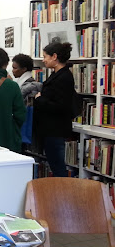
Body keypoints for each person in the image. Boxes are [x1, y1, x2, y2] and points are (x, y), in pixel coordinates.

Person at [34, 42, 75, 177]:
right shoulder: (56, 74)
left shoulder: (64, 77)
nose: (43, 60)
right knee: (54, 163)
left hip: (55, 129)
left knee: (57, 166)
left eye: (45, 56)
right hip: (50, 128)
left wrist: (40, 99)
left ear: (54, 57)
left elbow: (61, 106)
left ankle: (61, 195)